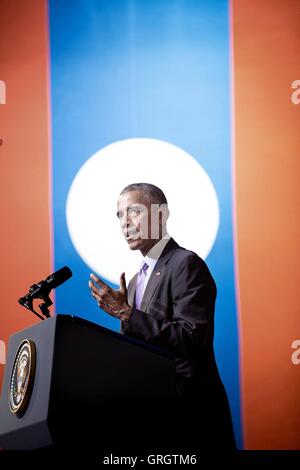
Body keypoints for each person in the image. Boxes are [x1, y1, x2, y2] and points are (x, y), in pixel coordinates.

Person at [89, 182, 236, 452]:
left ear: (160, 215)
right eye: (119, 215)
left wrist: (127, 314)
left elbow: (191, 339)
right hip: (152, 414)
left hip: (190, 417)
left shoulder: (185, 264)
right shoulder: (133, 283)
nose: (125, 223)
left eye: (133, 211)